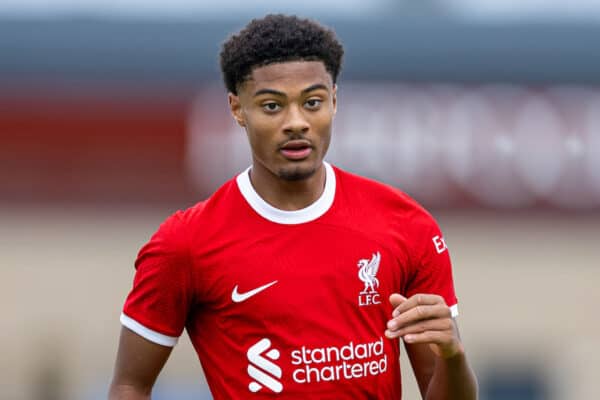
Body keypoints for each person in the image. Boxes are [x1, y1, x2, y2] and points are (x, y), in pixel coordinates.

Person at [109, 14, 478, 399]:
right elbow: (129, 385)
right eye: (272, 106)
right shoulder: (185, 243)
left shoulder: (405, 224)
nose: (296, 122)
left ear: (334, 101)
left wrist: (453, 354)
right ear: (238, 109)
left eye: (312, 102)